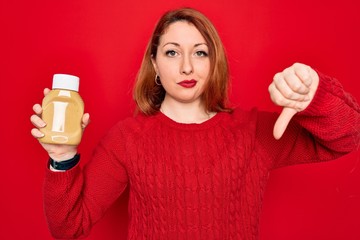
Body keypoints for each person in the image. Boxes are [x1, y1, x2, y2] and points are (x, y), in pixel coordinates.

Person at [30, 7, 360, 240]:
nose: (187, 67)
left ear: (214, 61)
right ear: (155, 63)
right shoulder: (127, 139)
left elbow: (347, 137)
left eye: (200, 53)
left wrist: (315, 93)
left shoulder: (253, 133)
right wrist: (62, 156)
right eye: (173, 53)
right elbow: (67, 226)